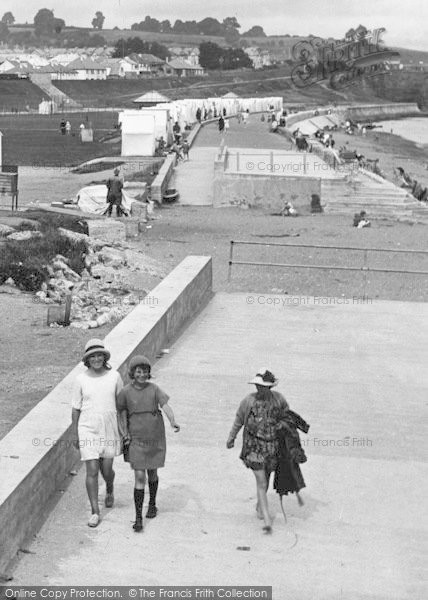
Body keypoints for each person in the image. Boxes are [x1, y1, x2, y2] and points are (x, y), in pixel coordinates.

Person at [118, 355, 180, 533]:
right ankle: (138, 517)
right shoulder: (125, 392)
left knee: (152, 473)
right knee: (139, 476)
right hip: (135, 438)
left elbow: (165, 406)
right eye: (139, 371)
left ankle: (152, 503)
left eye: (145, 371)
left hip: (154, 436)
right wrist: (124, 433)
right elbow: (121, 412)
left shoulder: (154, 389)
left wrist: (172, 421)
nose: (142, 374)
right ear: (133, 373)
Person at [226, 369, 289, 534]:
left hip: (272, 447)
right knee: (261, 481)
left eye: (263, 386)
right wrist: (231, 437)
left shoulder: (279, 399)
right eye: (258, 386)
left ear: (270, 387)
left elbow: (287, 418)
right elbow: (239, 419)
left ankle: (260, 506)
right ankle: (267, 519)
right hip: (253, 446)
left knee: (266, 477)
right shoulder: (248, 401)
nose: (259, 389)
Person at [71, 339, 124, 528]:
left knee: (107, 469)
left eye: (99, 355)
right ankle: (95, 511)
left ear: (104, 356)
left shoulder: (115, 377)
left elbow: (121, 406)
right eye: (92, 356)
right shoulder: (80, 380)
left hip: (109, 427)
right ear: (87, 360)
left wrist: (124, 430)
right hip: (87, 428)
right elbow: (76, 408)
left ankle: (109, 487)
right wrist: (75, 433)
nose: (96, 359)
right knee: (92, 469)